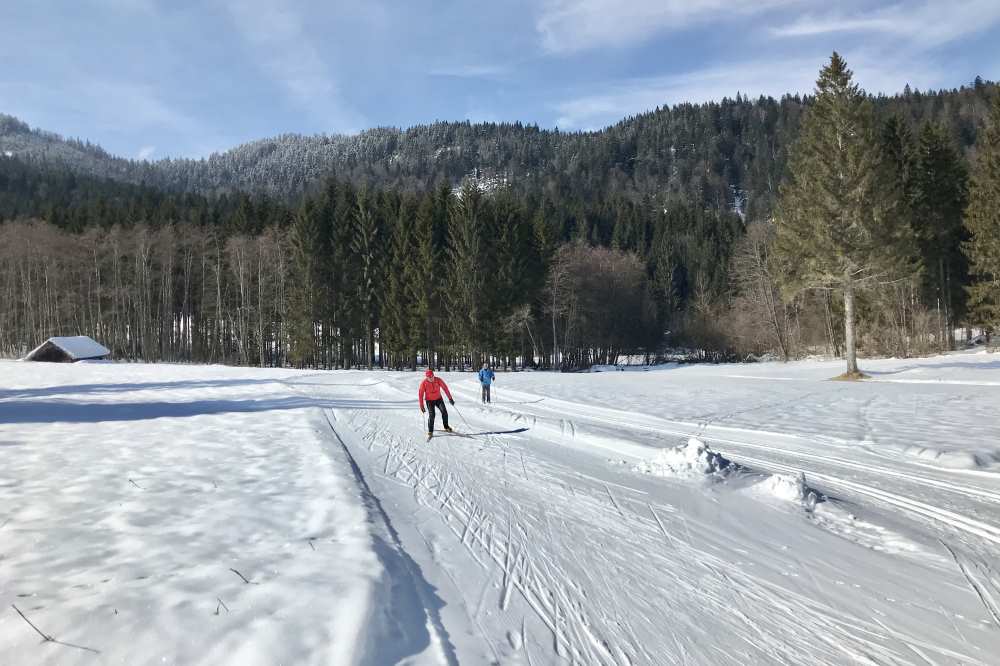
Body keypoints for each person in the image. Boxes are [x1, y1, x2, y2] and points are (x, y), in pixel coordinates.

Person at [418, 369, 454, 437]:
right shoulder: (424, 383)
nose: (431, 378)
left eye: (432, 376)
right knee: (432, 415)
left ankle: (446, 427)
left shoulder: (438, 380)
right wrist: (421, 406)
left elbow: (445, 388)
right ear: (427, 377)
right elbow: (420, 395)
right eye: (429, 377)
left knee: (444, 412)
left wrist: (450, 398)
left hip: (438, 399)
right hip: (429, 401)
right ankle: (430, 431)